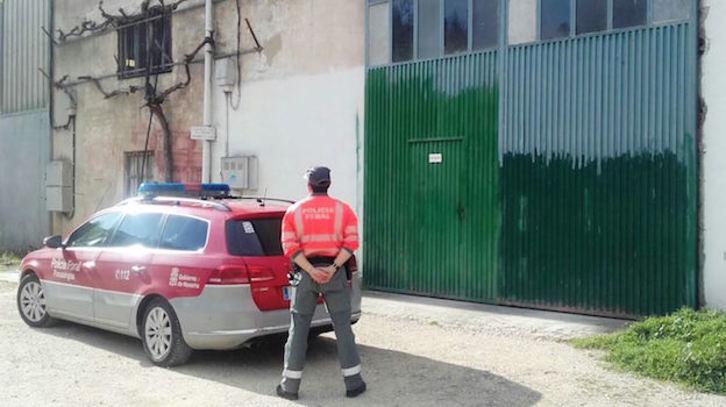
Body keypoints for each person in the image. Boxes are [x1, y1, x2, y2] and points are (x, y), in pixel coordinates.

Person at [276, 166, 367, 400]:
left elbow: (289, 247)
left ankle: (290, 388)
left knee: (298, 329)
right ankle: (354, 384)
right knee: (343, 328)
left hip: (305, 276)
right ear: (328, 184)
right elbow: (351, 243)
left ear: (309, 185)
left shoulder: (294, 211)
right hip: (334, 274)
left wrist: (310, 271)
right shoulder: (344, 210)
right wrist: (333, 268)